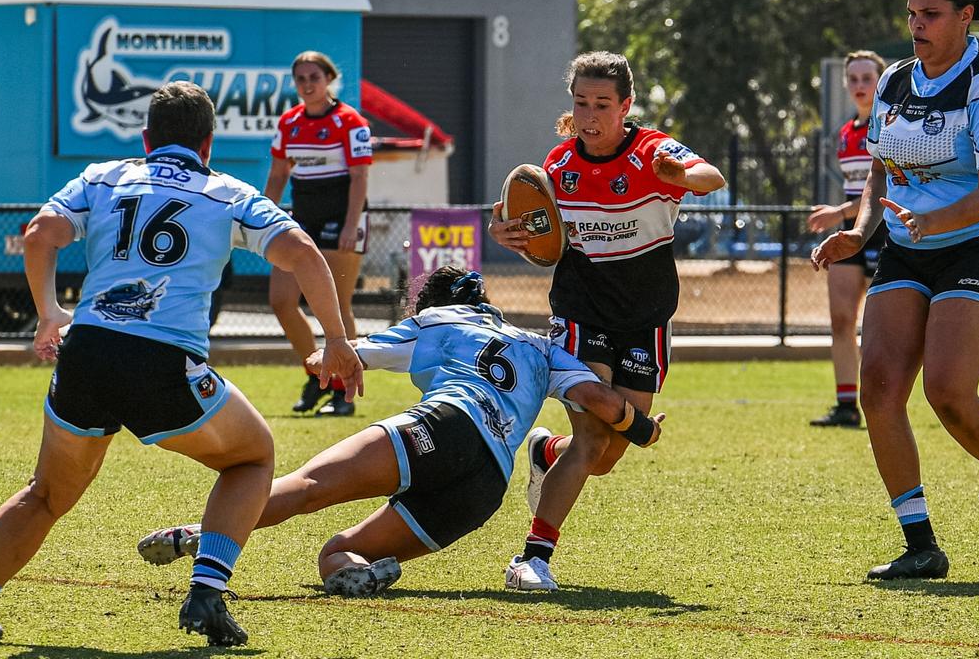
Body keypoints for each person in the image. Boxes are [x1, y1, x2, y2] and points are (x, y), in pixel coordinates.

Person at [0, 82, 363, 647]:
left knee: (45, 495)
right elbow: (301, 252)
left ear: (147, 137)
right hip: (162, 361)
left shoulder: (103, 178)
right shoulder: (225, 191)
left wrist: (50, 313)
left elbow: (39, 234)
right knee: (254, 458)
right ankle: (207, 591)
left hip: (87, 353)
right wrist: (337, 338)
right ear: (208, 144)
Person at [136, 266, 664, 596]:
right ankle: (360, 573)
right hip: (484, 489)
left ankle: (197, 538)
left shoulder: (438, 320)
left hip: (446, 426)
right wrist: (640, 430)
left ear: (430, 302)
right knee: (337, 555)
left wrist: (325, 357)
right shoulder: (541, 347)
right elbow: (598, 400)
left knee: (306, 490)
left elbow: (346, 354)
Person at [810, 0, 979, 580]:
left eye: (931, 15)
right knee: (880, 391)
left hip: (977, 245)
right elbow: (878, 171)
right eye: (912, 13)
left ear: (965, 16)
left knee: (948, 391)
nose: (916, 25)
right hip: (906, 244)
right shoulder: (896, 80)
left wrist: (934, 223)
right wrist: (858, 231)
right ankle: (920, 543)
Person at [489, 51, 725, 590]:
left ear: (626, 106)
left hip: (646, 318)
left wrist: (681, 174)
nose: (590, 115)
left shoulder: (652, 151)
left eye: (602, 104)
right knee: (595, 436)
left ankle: (547, 452)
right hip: (581, 310)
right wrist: (503, 229)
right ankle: (533, 559)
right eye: (581, 103)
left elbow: (712, 176)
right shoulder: (557, 168)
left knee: (606, 456)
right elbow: (526, 224)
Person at [265, 50, 373, 417]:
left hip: (341, 219)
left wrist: (348, 225)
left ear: (329, 80)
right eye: (301, 79)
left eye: (314, 77)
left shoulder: (350, 121)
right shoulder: (289, 122)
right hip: (302, 220)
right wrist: (262, 219)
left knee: (337, 307)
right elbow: (279, 174)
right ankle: (315, 375)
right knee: (281, 299)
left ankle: (345, 393)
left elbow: (359, 177)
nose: (307, 85)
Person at [808, 50, 889, 428]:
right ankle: (845, 405)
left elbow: (881, 193)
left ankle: (884, 402)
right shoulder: (845, 133)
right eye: (853, 79)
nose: (859, 86)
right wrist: (841, 212)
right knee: (841, 320)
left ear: (880, 80)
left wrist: (839, 213)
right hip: (849, 231)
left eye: (866, 78)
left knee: (880, 326)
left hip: (881, 231)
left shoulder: (890, 126)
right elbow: (859, 188)